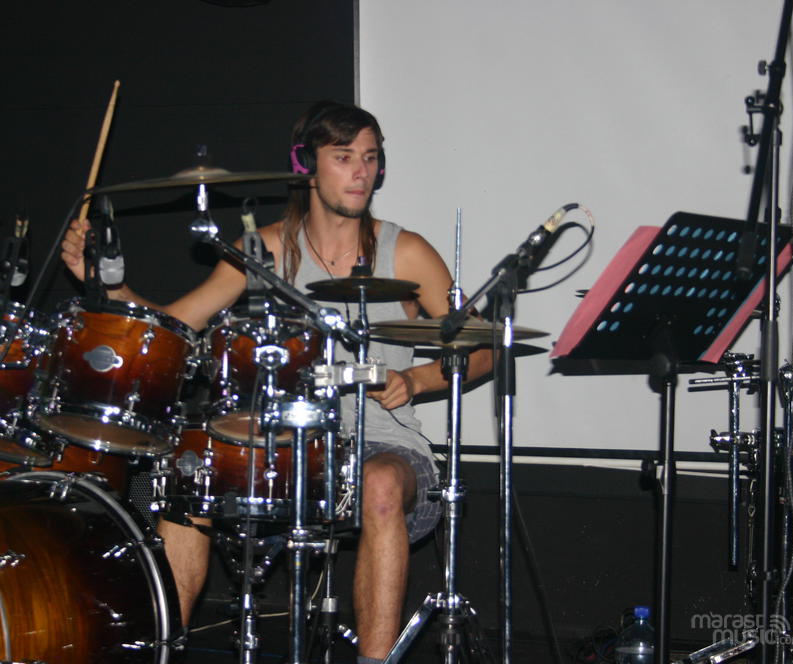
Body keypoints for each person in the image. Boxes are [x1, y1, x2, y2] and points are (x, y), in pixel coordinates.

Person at [60, 100, 494, 663]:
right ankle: (161, 652)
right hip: (283, 446)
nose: (362, 172)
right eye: (344, 157)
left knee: (381, 484)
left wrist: (416, 378)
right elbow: (175, 326)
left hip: (383, 443)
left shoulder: (404, 251)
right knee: (190, 477)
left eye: (370, 158)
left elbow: (482, 348)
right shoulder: (260, 249)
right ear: (304, 164)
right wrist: (107, 285)